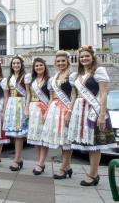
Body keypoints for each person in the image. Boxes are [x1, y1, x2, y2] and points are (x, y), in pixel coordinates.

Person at [68, 45, 116, 186]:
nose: (84, 59)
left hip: (93, 111)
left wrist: (101, 115)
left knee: (95, 144)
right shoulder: (78, 76)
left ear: (92, 57)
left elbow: (102, 94)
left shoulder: (98, 71)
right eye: (81, 57)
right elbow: (74, 95)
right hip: (80, 111)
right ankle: (93, 173)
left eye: (86, 56)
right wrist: (70, 112)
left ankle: (93, 175)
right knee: (89, 144)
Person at [42, 51, 75, 179]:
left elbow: (74, 96)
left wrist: (70, 111)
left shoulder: (72, 76)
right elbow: (51, 97)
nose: (60, 63)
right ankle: (68, 166)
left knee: (66, 140)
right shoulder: (53, 78)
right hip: (54, 109)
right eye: (58, 61)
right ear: (55, 63)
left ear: (67, 61)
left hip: (66, 109)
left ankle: (63, 168)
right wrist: (46, 112)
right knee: (62, 140)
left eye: (63, 61)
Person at [25, 57, 50, 175]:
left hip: (44, 108)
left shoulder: (49, 80)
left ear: (44, 66)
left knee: (43, 137)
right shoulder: (32, 80)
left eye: (41, 65)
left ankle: (40, 163)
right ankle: (40, 161)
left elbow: (51, 96)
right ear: (34, 68)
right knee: (35, 137)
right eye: (36, 66)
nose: (39, 67)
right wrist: (26, 107)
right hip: (33, 108)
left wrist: (48, 111)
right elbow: (28, 94)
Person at [3, 55, 27, 171]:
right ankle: (19, 158)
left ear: (21, 64)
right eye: (14, 63)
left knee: (19, 135)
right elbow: (6, 96)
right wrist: (5, 110)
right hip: (11, 106)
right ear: (11, 65)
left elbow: (28, 93)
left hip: (21, 105)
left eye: (18, 63)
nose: (16, 65)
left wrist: (27, 108)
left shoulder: (25, 77)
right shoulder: (8, 79)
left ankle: (17, 159)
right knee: (14, 135)